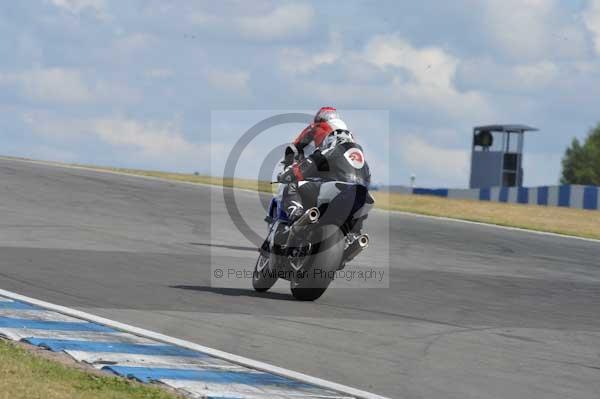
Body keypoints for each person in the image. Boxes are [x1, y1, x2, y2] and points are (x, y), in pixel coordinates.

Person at [277, 107, 371, 227]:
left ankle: (297, 216)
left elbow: (295, 147)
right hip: (359, 189)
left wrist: (288, 169)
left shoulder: (318, 129)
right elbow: (367, 178)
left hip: (330, 178)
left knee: (292, 186)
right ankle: (353, 234)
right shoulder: (355, 149)